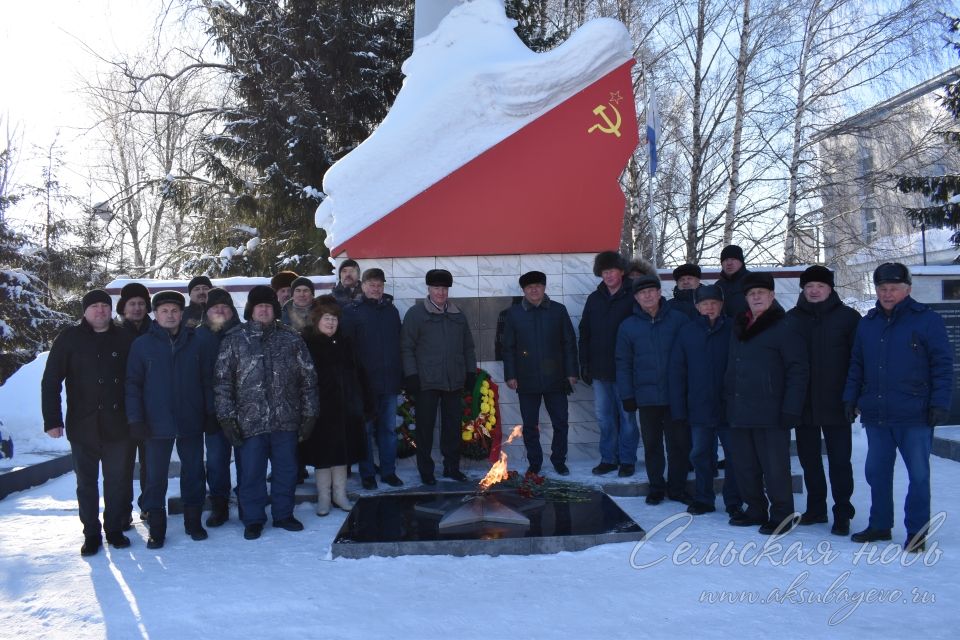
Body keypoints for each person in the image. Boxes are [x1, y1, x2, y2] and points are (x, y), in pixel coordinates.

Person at [843, 263, 953, 552]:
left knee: (918, 476)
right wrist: (849, 398)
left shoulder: (927, 320)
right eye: (882, 288)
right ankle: (880, 525)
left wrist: (940, 403)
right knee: (876, 473)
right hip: (878, 415)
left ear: (908, 289)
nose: (887, 293)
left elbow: (942, 365)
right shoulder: (868, 323)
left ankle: (916, 532)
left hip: (915, 415)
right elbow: (857, 364)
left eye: (893, 288)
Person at [214, 285, 319, 540]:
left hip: (286, 420)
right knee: (250, 473)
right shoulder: (234, 339)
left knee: (286, 471)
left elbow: (308, 378)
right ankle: (253, 519)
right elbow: (222, 382)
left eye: (268, 306)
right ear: (251, 309)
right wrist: (226, 417)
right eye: (259, 306)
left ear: (274, 310)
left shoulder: (291, 338)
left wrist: (310, 414)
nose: (263, 310)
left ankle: (283, 514)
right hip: (249, 422)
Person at [41, 289, 135, 556]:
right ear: (84, 311)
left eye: (105, 306)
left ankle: (114, 529)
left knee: (117, 481)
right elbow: (50, 381)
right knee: (86, 483)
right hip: (83, 425)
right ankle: (91, 533)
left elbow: (138, 379)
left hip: (118, 425)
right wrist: (52, 420)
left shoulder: (124, 337)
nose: (100, 311)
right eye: (94, 306)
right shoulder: (70, 339)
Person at [125, 290, 218, 549]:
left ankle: (193, 522)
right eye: (164, 310)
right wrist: (136, 419)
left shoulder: (195, 342)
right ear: (155, 314)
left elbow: (207, 381)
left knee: (194, 472)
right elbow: (133, 384)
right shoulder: (142, 345)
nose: (170, 315)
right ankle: (157, 527)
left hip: (191, 420)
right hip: (155, 424)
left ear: (181, 313)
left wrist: (210, 413)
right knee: (155, 477)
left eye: (175, 310)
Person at [725, 272, 808, 535]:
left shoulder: (785, 326)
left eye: (761, 293)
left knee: (775, 468)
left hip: (772, 411)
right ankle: (756, 509)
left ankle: (782, 515)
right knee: (745, 466)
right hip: (740, 409)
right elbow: (732, 366)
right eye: (752, 294)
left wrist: (791, 408)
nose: (756, 297)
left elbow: (798, 370)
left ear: (772, 296)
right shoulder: (740, 326)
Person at [787, 265, 860, 536]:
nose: (814, 291)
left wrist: (854, 397)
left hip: (837, 402)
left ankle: (842, 512)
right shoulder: (792, 319)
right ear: (803, 290)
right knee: (809, 460)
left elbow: (858, 361)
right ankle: (816, 508)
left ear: (830, 289)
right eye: (809, 287)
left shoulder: (849, 318)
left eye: (819, 286)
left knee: (840, 461)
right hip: (804, 403)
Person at [669, 285, 742, 516]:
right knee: (700, 455)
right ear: (697, 306)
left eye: (713, 303)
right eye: (704, 304)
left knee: (734, 455)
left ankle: (734, 501)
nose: (709, 307)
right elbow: (677, 372)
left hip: (730, 406)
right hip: (699, 406)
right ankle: (704, 498)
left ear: (721, 305)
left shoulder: (734, 329)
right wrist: (679, 408)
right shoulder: (687, 332)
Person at [616, 275, 690, 499]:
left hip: (675, 396)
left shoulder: (679, 320)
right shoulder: (628, 326)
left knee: (678, 445)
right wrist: (627, 395)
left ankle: (677, 488)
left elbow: (691, 356)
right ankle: (656, 487)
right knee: (652, 445)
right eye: (642, 293)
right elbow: (623, 363)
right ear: (636, 298)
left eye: (651, 291)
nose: (647, 295)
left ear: (659, 293)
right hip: (646, 397)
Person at [401, 269, 477, 485]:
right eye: (436, 288)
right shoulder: (416, 314)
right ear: (429, 289)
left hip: (454, 381)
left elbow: (468, 347)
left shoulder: (457, 315)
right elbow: (406, 347)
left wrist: (470, 372)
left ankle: (451, 467)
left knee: (452, 427)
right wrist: (411, 375)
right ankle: (426, 470)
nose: (440, 292)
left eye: (444, 288)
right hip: (426, 382)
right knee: (425, 429)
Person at [300, 295, 372, 514]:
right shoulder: (307, 343)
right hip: (319, 410)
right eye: (326, 318)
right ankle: (324, 498)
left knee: (342, 453)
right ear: (317, 320)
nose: (330, 323)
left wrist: (365, 402)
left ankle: (339, 495)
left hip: (346, 409)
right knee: (323, 455)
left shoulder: (346, 343)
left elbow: (360, 373)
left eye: (334, 319)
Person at [502, 271, 578, 476]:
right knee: (530, 425)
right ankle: (534, 462)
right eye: (529, 287)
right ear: (524, 291)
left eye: (538, 285)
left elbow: (569, 343)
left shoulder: (558, 311)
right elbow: (507, 347)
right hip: (526, 378)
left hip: (557, 378)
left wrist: (572, 372)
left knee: (561, 422)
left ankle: (559, 460)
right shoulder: (514, 314)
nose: (534, 290)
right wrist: (510, 374)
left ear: (544, 287)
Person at [578, 251, 637, 475]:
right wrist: (584, 362)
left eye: (612, 270)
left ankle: (627, 459)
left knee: (627, 418)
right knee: (605, 418)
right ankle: (609, 458)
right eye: (604, 271)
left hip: (625, 371)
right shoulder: (594, 298)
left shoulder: (634, 295)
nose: (609, 275)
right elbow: (585, 331)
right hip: (600, 369)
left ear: (621, 271)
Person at [352, 268, 405, 489]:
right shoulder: (353, 312)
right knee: (365, 432)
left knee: (389, 431)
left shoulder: (391, 311)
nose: (376, 289)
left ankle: (388, 472)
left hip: (389, 383)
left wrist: (402, 377)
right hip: (365, 386)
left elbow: (400, 346)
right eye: (372, 284)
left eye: (379, 285)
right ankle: (367, 474)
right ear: (363, 286)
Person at [196, 287, 241, 528]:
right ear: (208, 311)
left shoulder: (244, 332)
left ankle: (247, 500)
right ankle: (219, 504)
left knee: (247, 459)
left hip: (245, 409)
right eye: (216, 307)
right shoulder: (198, 337)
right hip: (212, 410)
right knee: (216, 461)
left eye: (225, 306)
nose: (221, 310)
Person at [115, 281, 151, 525]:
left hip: (151, 409)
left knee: (150, 466)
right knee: (122, 467)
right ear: (123, 307)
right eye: (132, 304)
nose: (137, 308)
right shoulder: (113, 333)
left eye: (141, 303)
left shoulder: (156, 329)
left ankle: (148, 508)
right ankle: (122, 511)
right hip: (120, 411)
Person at [716, 245, 750, 318]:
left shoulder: (753, 280)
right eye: (725, 260)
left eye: (733, 259)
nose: (729, 263)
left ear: (741, 262)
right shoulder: (718, 286)